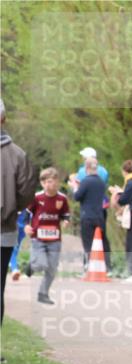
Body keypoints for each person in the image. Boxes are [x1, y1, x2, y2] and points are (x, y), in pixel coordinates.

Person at [1, 98, 37, 327]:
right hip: (5, 230)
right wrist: (12, 207)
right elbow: (27, 193)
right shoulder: (18, 155)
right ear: (4, 119)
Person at [25, 167, 70, 304]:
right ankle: (31, 266)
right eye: (49, 182)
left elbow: (65, 213)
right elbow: (26, 213)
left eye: (55, 181)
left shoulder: (62, 198)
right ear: (43, 183)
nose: (53, 184)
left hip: (55, 239)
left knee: (51, 268)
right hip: (38, 237)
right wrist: (26, 226)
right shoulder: (37, 197)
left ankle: (43, 294)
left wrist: (66, 221)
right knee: (41, 264)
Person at [71, 156, 110, 272]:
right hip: (100, 216)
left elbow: (77, 197)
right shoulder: (101, 182)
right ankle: (107, 266)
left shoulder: (86, 181)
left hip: (87, 216)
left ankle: (88, 266)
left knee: (88, 242)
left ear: (86, 168)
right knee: (102, 241)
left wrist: (75, 187)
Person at [7, 208, 29, 281]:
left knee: (12, 249)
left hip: (14, 226)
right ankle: (14, 267)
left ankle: (14, 268)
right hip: (22, 227)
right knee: (14, 249)